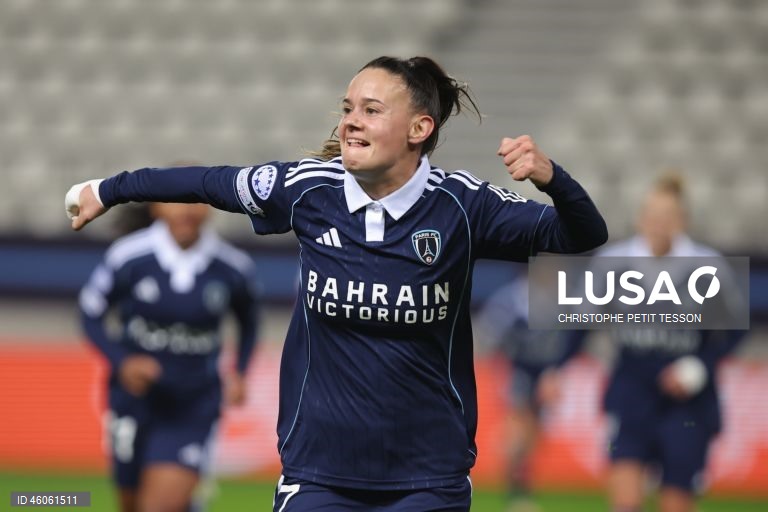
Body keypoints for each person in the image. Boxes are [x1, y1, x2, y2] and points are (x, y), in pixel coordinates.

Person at [66, 56, 608, 511]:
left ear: (420, 129)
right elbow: (206, 182)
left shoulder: (463, 207)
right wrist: (109, 189)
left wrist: (552, 178)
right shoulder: (307, 190)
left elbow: (582, 235)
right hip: (318, 471)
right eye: (348, 108)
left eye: (372, 110)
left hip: (428, 476)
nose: (351, 121)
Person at [79, 200, 261, 512]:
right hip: (133, 401)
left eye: (196, 203)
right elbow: (90, 312)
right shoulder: (128, 256)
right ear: (157, 208)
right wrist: (123, 361)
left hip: (193, 403)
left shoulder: (232, 266)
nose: (186, 211)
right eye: (176, 202)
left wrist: (240, 371)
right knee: (132, 503)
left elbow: (250, 322)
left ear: (210, 209)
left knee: (160, 506)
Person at [592, 173, 743, 512]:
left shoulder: (707, 267)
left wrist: (699, 366)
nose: (659, 224)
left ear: (682, 221)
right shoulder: (613, 264)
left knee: (676, 499)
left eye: (668, 217)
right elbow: (581, 323)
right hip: (631, 390)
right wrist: (555, 369)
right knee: (625, 499)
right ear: (640, 218)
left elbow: (734, 331)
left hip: (687, 401)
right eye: (653, 216)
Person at [475, 269, 584, 512]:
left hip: (546, 372)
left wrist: (556, 370)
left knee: (535, 433)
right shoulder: (511, 298)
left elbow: (573, 334)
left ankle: (520, 482)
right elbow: (490, 333)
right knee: (520, 426)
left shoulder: (560, 296)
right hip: (519, 369)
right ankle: (517, 491)